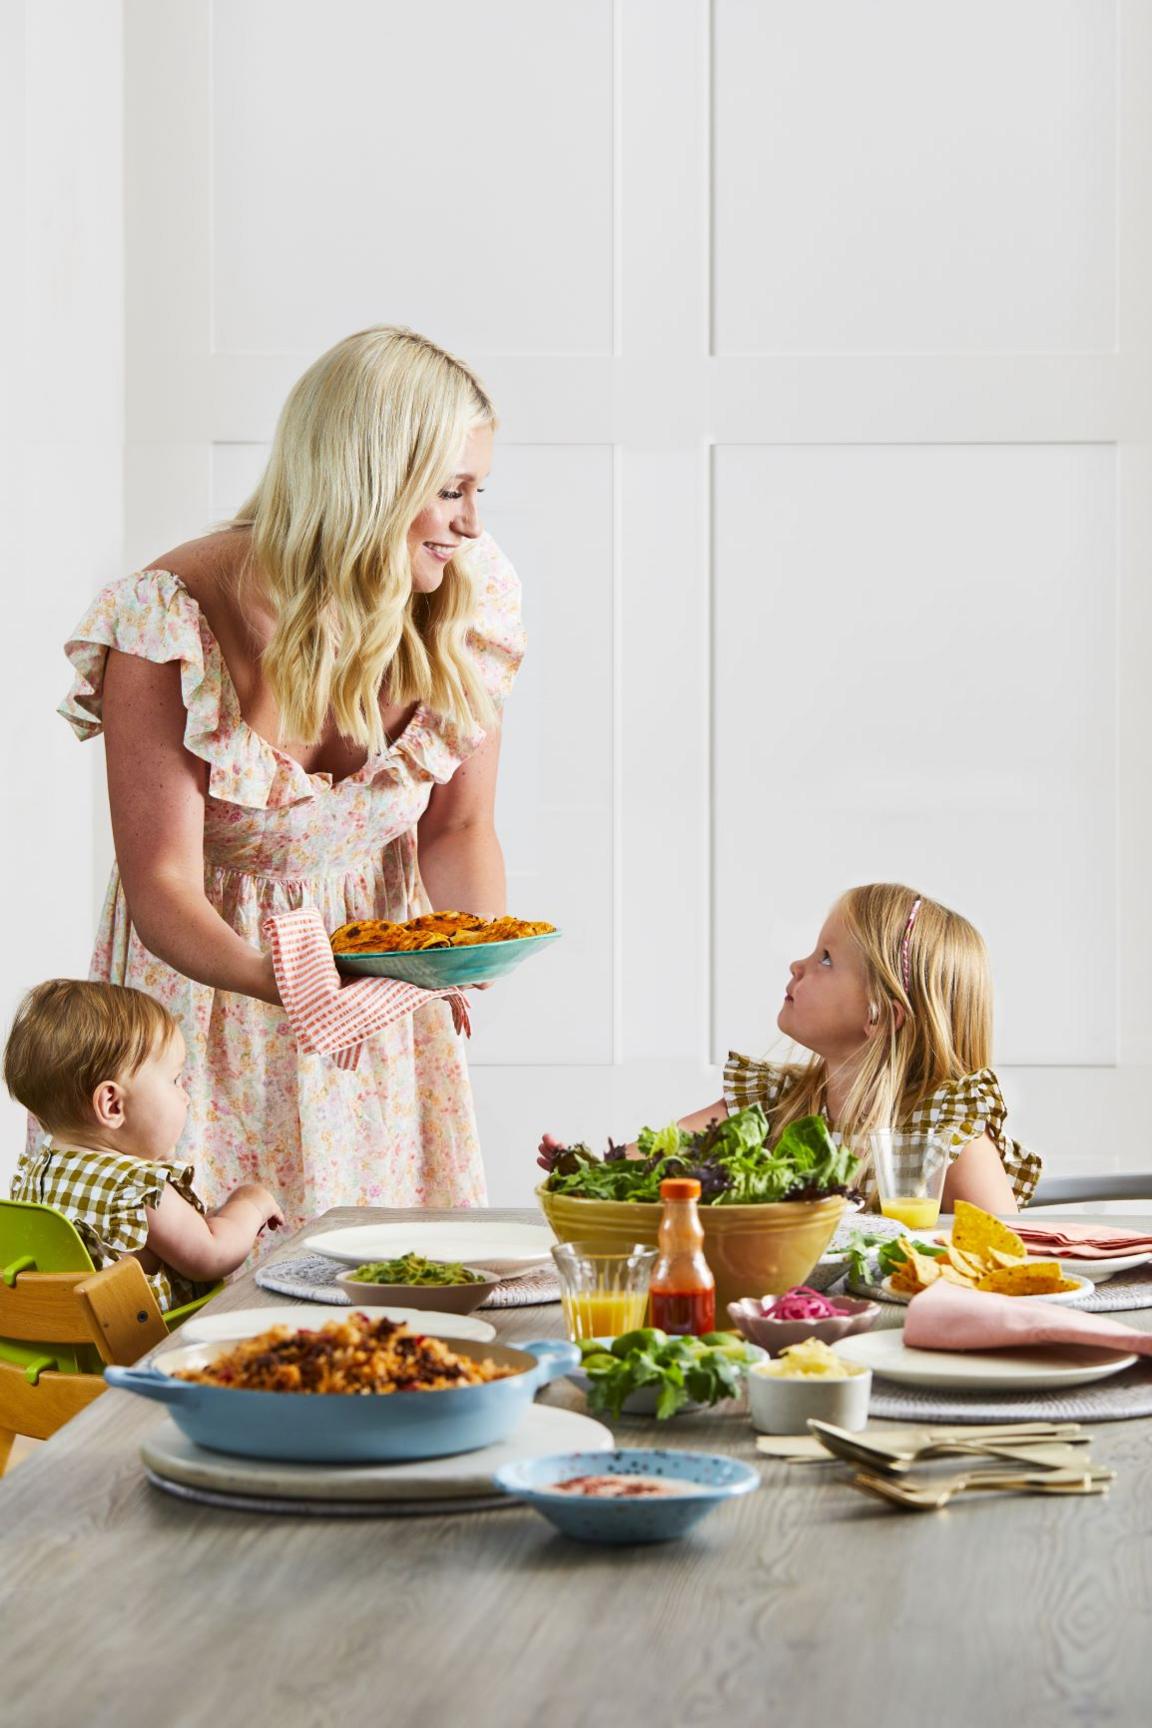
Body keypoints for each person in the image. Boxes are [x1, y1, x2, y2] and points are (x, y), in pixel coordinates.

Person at [56, 326, 525, 1231]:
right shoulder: (168, 621)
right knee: (204, 1292)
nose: (472, 522)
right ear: (370, 483)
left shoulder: (466, 599)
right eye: (451, 490)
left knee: (385, 1292)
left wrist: (460, 964)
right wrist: (298, 985)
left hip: (380, 1008)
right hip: (198, 1013)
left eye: (479, 490)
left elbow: (458, 832)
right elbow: (161, 885)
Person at [542, 883, 1040, 1212]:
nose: (797, 965)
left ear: (881, 1015)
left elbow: (1003, 1255)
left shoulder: (946, 1132)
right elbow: (660, 1155)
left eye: (825, 958)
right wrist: (590, 1169)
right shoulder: (771, 1102)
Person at [6, 980, 283, 1309]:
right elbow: (211, 1254)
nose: (185, 1097)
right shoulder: (136, 1188)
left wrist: (216, 1215)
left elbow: (181, 1235)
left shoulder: (38, 1175)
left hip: (58, 1353)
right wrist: (250, 1203)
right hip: (142, 1353)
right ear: (112, 1105)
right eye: (174, 1080)